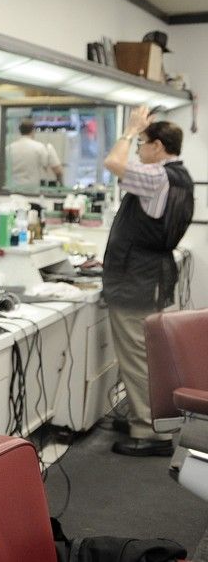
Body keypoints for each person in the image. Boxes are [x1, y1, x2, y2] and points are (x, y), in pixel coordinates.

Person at [102, 106, 193, 457]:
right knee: (144, 355)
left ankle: (150, 433)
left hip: (136, 278)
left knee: (136, 358)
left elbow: (112, 163)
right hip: (148, 275)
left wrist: (128, 131)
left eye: (142, 143)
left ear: (157, 147)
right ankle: (148, 418)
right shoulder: (179, 176)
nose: (138, 149)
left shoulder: (158, 176)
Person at [6, 118, 63, 189]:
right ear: (33, 130)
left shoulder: (9, 148)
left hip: (13, 189)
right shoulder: (40, 147)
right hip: (33, 190)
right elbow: (58, 170)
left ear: (20, 131)